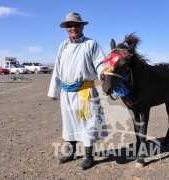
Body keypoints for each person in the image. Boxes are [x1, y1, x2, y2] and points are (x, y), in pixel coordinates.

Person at [48, 12, 107, 170]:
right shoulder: (63, 46)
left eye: (76, 25)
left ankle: (89, 156)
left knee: (88, 123)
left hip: (85, 91)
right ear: (66, 28)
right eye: (69, 25)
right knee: (70, 123)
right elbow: (58, 70)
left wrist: (102, 72)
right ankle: (72, 151)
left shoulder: (91, 44)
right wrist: (54, 91)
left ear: (82, 26)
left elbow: (100, 62)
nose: (73, 28)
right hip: (66, 93)